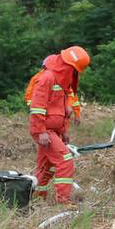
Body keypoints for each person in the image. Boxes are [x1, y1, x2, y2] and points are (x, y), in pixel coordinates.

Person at [30, 46, 90, 206]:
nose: (75, 75)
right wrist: (41, 131)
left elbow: (61, 111)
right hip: (45, 131)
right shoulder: (48, 78)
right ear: (69, 67)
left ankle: (36, 198)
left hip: (54, 131)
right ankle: (63, 201)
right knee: (65, 160)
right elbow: (37, 107)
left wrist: (63, 132)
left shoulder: (62, 84)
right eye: (75, 71)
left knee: (45, 167)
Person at [25, 56, 82, 125]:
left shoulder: (63, 78)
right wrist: (39, 110)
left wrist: (76, 113)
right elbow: (29, 96)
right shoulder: (37, 78)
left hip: (61, 117)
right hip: (45, 116)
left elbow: (72, 96)